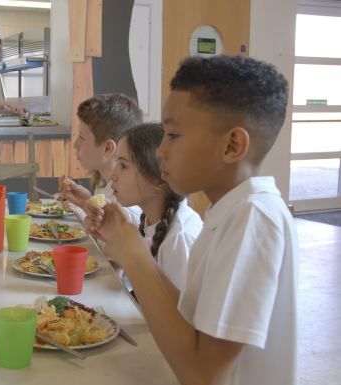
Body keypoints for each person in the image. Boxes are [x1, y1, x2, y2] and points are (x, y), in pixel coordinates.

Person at [90, 55, 297, 385]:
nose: (160, 151)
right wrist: (131, 247)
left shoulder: (253, 218)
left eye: (172, 135)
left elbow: (204, 375)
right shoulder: (229, 211)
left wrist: (136, 258)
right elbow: (189, 314)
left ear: (232, 145)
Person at [88, 123, 203, 289]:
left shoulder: (178, 239)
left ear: (159, 179)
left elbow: (171, 314)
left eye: (123, 165)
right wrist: (115, 241)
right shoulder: (151, 221)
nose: (112, 175)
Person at [59, 94, 143, 224]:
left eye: (82, 137)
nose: (75, 145)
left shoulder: (126, 208)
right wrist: (86, 203)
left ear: (107, 148)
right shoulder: (103, 187)